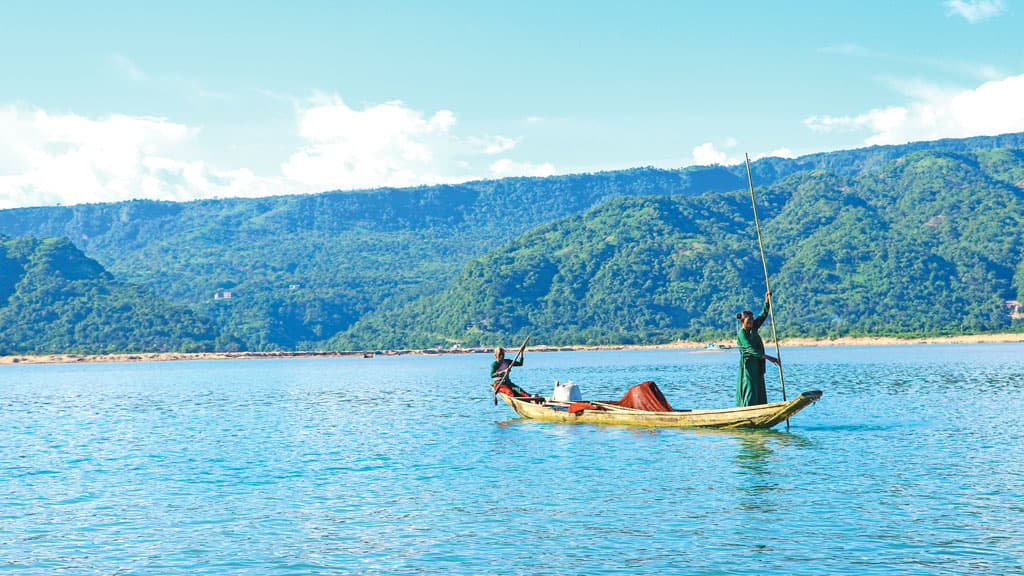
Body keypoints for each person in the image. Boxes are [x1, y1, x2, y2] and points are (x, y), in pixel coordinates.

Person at [736, 292, 781, 407]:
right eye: (748, 320)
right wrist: (769, 358)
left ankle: (760, 407)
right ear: (742, 321)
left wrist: (767, 301)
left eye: (752, 319)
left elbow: (763, 315)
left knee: (759, 387)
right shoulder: (742, 333)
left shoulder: (754, 327)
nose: (751, 322)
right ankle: (747, 409)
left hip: (758, 364)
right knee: (750, 387)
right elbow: (751, 350)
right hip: (749, 366)